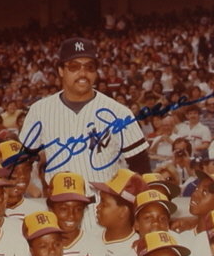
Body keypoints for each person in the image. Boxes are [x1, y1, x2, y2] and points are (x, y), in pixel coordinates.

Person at [17, 37, 151, 195]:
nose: (83, 73)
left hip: (105, 209)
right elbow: (23, 161)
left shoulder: (119, 112)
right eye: (74, 66)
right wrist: (31, 189)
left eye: (89, 67)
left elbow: (140, 164)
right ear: (61, 70)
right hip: (60, 209)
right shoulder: (39, 110)